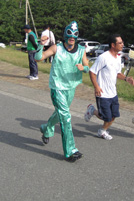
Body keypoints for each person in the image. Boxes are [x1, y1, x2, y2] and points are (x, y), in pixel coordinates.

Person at [35, 21, 89, 162]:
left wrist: (84, 68)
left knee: (60, 114)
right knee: (66, 116)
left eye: (74, 35)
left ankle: (46, 128)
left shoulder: (81, 50)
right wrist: (41, 44)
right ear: (65, 35)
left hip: (71, 87)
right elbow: (38, 58)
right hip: (57, 87)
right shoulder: (56, 48)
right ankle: (70, 151)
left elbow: (87, 65)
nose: (72, 38)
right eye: (69, 35)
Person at [84, 34, 134, 140]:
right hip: (102, 93)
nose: (122, 44)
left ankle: (102, 131)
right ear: (113, 45)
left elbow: (117, 73)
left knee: (114, 115)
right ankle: (92, 110)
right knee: (106, 116)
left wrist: (126, 78)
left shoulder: (118, 58)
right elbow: (92, 72)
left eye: (122, 42)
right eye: (120, 43)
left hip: (113, 93)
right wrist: (96, 87)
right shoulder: (103, 57)